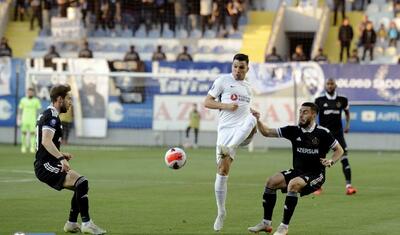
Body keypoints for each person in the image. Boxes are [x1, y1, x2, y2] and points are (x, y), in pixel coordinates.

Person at [248, 102, 344, 235]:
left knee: (293, 184)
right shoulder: (293, 130)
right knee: (271, 181)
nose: (301, 115)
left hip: (316, 174)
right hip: (297, 172)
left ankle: (284, 227)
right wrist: (257, 119)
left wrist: (331, 161)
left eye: (305, 112)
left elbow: (339, 150)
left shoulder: (323, 133)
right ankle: (266, 223)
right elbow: (267, 132)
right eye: (300, 112)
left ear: (313, 114)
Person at [34, 84, 106, 234]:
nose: (70, 102)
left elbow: (46, 142)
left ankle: (72, 223)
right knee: (81, 182)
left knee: (81, 184)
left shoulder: (48, 114)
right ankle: (86, 223)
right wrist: (61, 158)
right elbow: (45, 141)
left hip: (48, 161)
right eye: (68, 98)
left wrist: (60, 154)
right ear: (59, 99)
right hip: (45, 165)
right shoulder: (52, 117)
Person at [204, 53, 258, 231]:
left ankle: (232, 146)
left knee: (253, 118)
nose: (237, 70)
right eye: (235, 66)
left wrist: (252, 115)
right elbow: (207, 102)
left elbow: (245, 109)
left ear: (247, 69)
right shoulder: (222, 81)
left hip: (240, 131)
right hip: (226, 131)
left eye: (241, 67)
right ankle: (221, 212)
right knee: (222, 170)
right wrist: (226, 106)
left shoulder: (249, 87)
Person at [314, 78, 357, 195]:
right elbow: (313, 115)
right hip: (324, 136)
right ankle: (318, 187)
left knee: (344, 158)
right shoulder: (319, 100)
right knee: (320, 160)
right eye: (328, 84)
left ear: (335, 85)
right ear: (325, 86)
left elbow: (347, 113)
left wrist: (347, 125)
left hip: (338, 135)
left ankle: (349, 186)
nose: (329, 86)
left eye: (331, 84)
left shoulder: (342, 100)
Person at [18, 88, 42, 153]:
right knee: (23, 133)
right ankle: (23, 147)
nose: (30, 93)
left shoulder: (36, 100)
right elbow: (20, 110)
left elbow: (39, 110)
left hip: (33, 119)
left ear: (33, 93)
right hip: (24, 119)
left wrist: (39, 118)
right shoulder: (23, 100)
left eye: (31, 92)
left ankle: (32, 147)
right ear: (27, 92)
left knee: (33, 133)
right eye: (29, 92)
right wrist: (19, 118)